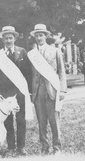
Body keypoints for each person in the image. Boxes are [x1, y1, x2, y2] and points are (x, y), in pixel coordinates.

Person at [0, 26, 32, 157]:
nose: (8, 40)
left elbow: (28, 73)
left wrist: (28, 91)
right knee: (8, 121)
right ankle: (11, 147)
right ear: (2, 39)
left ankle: (21, 147)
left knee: (21, 120)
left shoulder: (22, 52)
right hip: (5, 93)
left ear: (14, 38)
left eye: (11, 38)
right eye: (6, 38)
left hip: (20, 91)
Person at [28, 24, 67, 155]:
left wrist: (62, 90)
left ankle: (57, 147)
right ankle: (45, 147)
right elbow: (30, 74)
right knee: (41, 121)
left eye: (41, 35)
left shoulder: (55, 51)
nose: (39, 38)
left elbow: (61, 71)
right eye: (36, 36)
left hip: (52, 91)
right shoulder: (31, 54)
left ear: (46, 36)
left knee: (54, 121)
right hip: (37, 92)